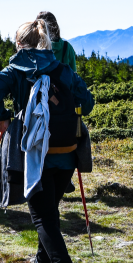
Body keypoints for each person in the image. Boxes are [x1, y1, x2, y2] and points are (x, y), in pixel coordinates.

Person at [0, 19, 94, 263]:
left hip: (35, 157)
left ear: (20, 45)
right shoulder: (64, 70)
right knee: (49, 212)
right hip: (66, 155)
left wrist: (4, 116)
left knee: (42, 217)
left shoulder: (16, 71)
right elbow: (87, 104)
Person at [37, 11, 79, 194]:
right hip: (64, 106)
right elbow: (75, 77)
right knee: (75, 137)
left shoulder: (35, 49)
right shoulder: (67, 48)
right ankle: (67, 175)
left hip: (42, 105)